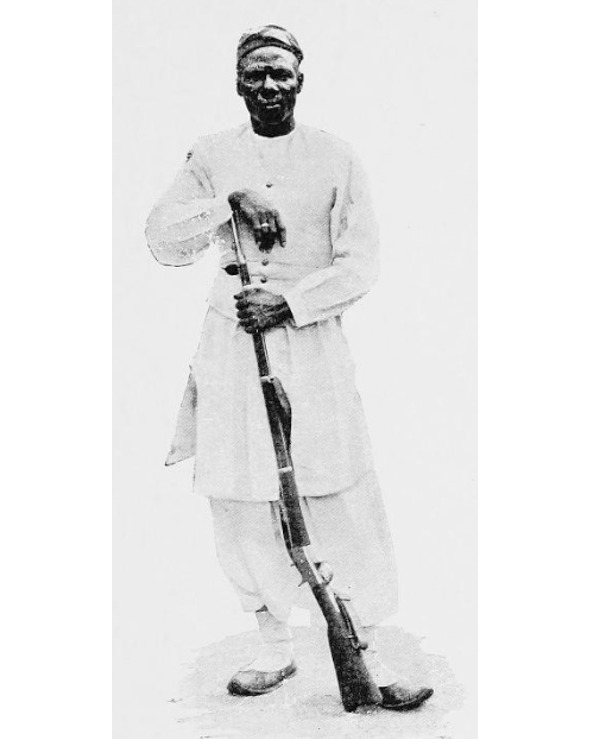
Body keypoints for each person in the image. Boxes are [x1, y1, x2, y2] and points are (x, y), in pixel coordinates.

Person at [146, 24, 433, 711]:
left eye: (280, 73)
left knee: (336, 485)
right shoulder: (211, 155)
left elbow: (361, 261)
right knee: (240, 491)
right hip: (232, 346)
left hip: (311, 343)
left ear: (301, 79)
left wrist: (291, 302)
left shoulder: (336, 156)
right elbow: (162, 238)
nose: (268, 86)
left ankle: (361, 647)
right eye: (256, 74)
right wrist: (228, 201)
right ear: (237, 83)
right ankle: (272, 644)